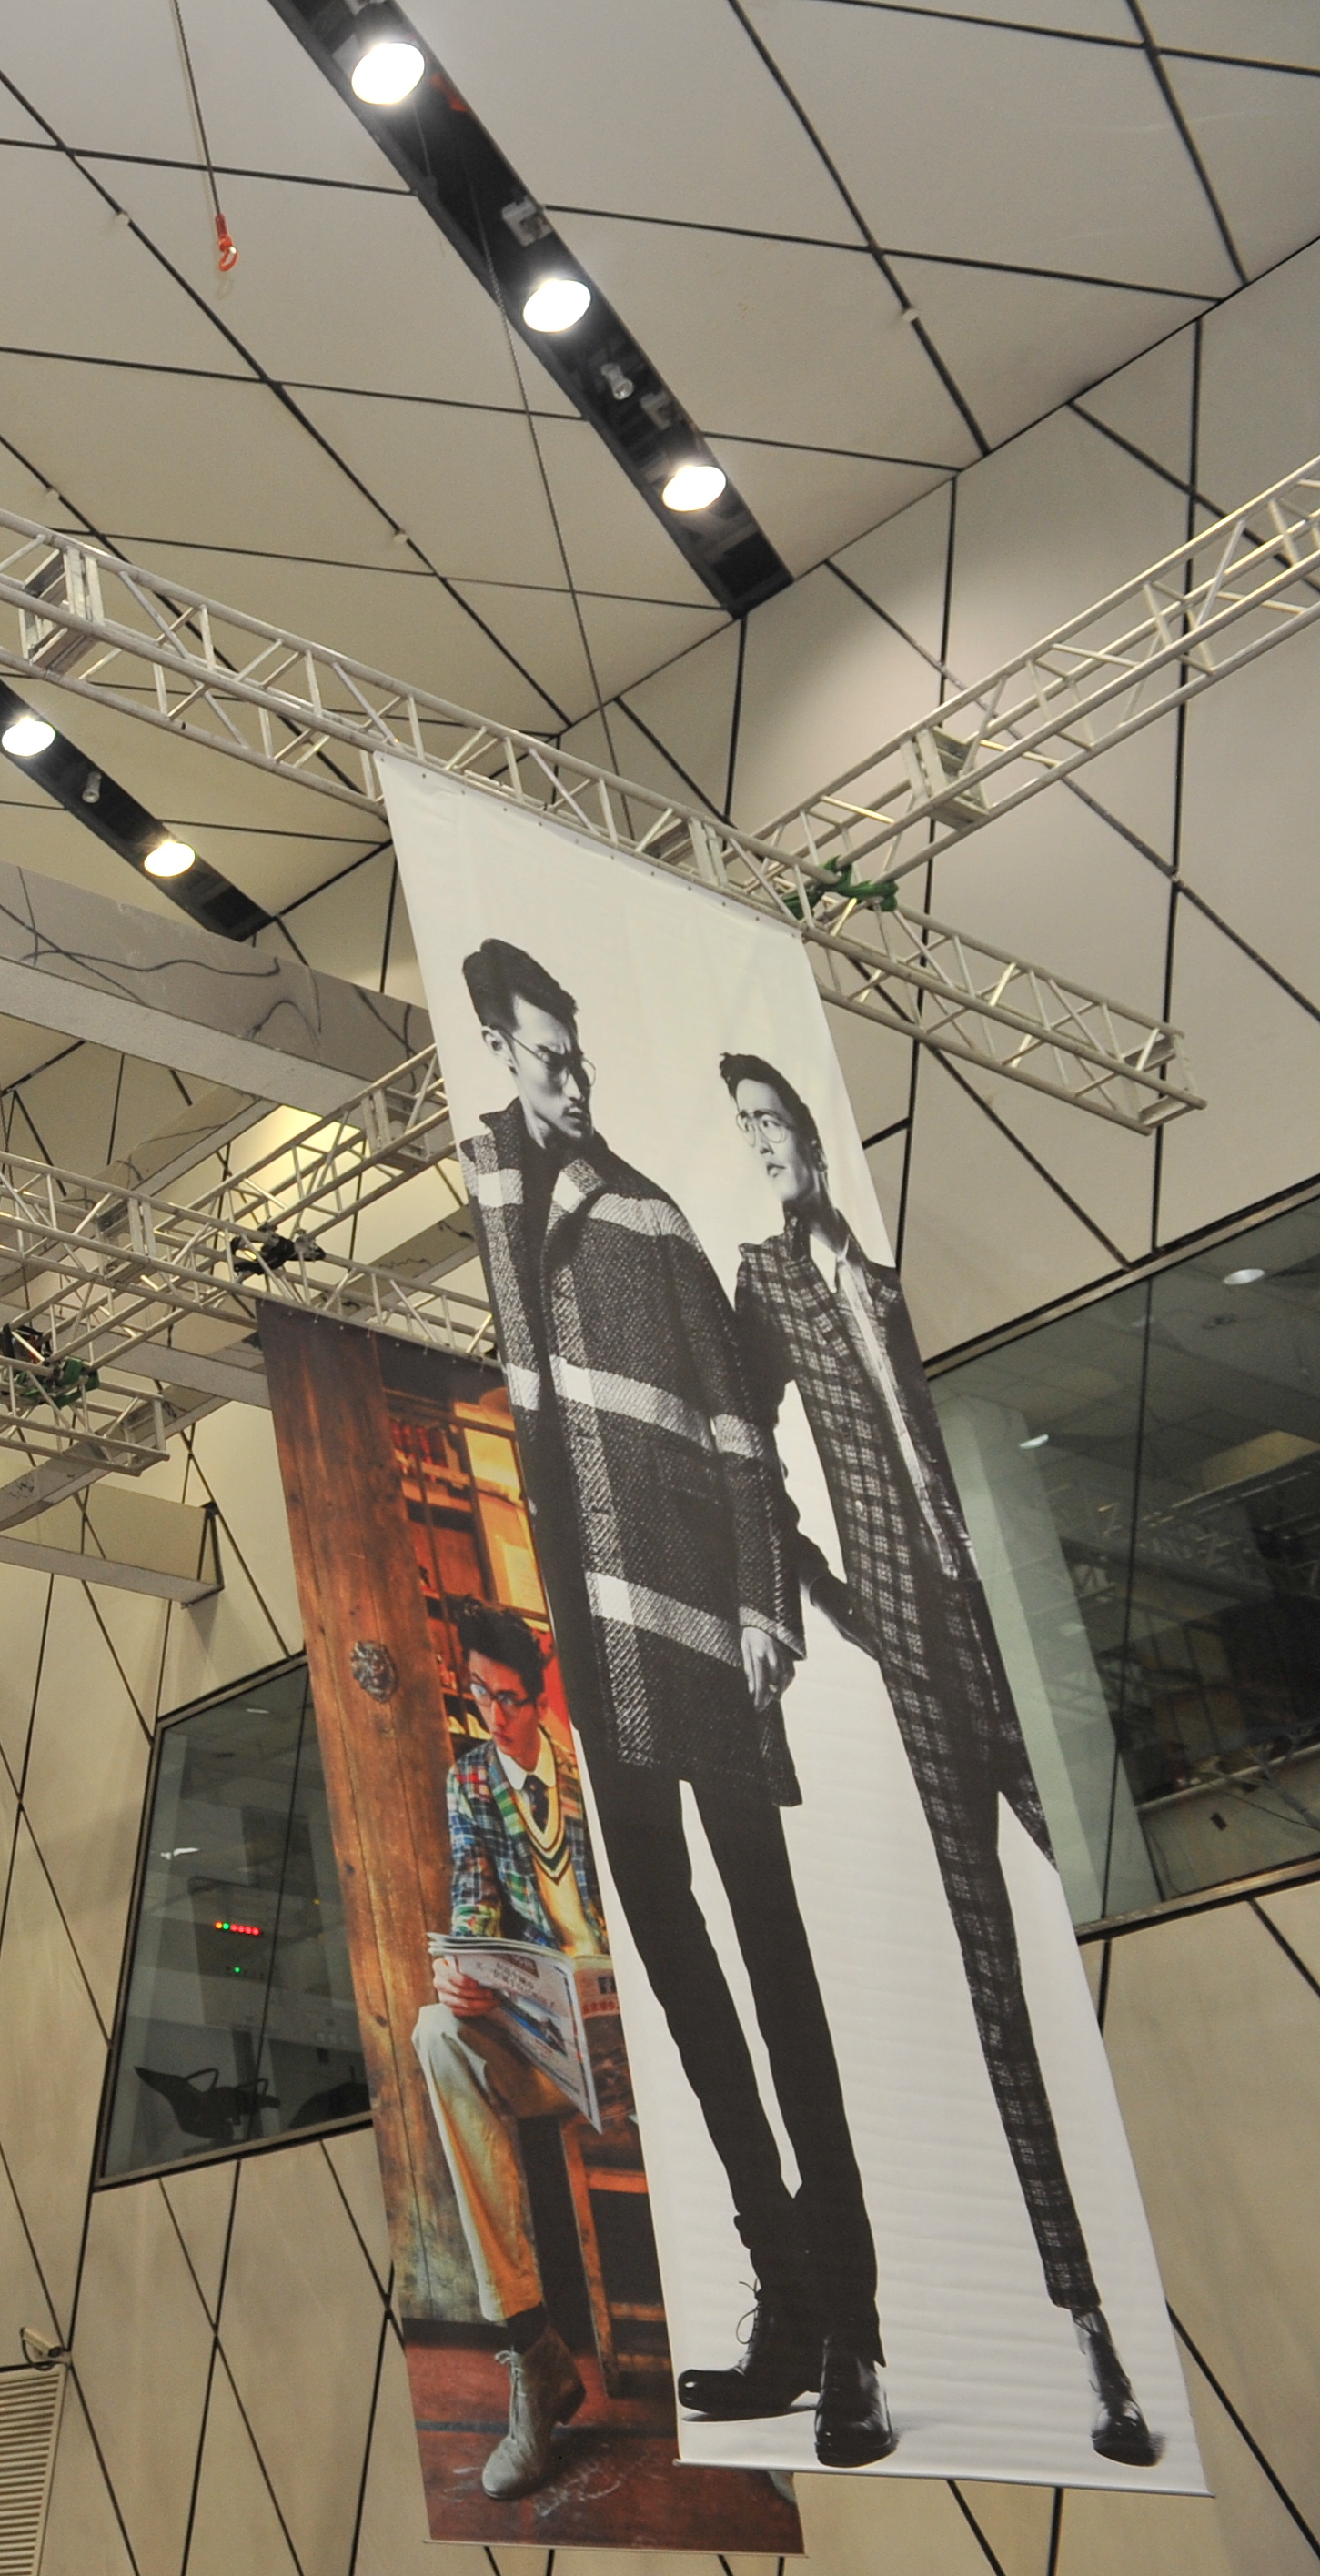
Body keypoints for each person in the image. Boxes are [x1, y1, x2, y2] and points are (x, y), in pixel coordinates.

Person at [450, 938, 890, 2468]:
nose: (572, 1079)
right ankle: (790, 2302)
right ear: (499, 1050)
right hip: (597, 1663)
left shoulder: (641, 1209)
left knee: (777, 1979)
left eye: (579, 1056)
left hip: (702, 1640)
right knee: (695, 2004)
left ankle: (855, 2332)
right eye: (547, 1056)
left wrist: (765, 1604)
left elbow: (736, 1425)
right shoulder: (487, 1186)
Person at [718, 1055, 1157, 2467]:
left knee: (1115, 1880)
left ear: (811, 1134)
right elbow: (744, 1456)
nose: (764, 1147)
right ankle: (1094, 2340)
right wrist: (824, 1596)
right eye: (745, 1132)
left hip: (1006, 1626)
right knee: (993, 1982)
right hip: (917, 1656)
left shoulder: (890, 1273)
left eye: (774, 1123)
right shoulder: (767, 1283)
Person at [409, 1603, 608, 2501]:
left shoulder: (593, 1768)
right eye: (478, 1695)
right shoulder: (470, 1781)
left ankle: (775, 2365)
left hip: (635, 2039)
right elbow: (475, 1902)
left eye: (509, 1699)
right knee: (435, 2031)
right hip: (541, 2046)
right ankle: (534, 2354)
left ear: (539, 1693)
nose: (493, 1715)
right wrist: (464, 1970)